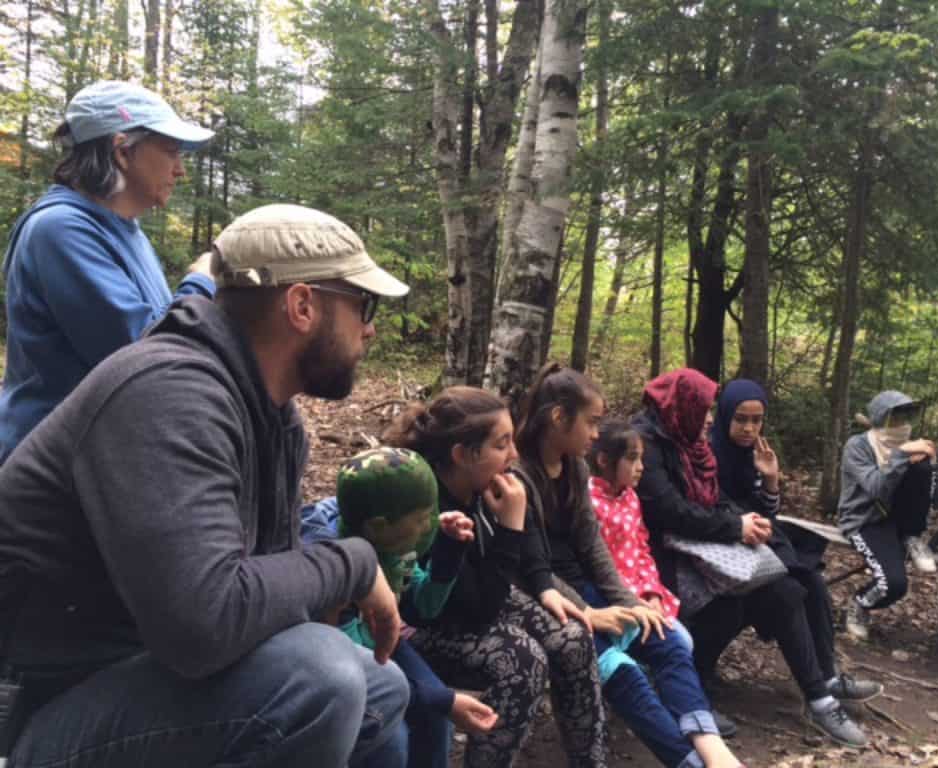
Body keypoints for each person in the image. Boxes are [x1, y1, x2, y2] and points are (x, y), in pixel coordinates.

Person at [0, 204, 412, 767]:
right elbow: (204, 624)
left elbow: (265, 599)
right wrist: (355, 562)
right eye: (363, 306)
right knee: (319, 679)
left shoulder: (272, 415)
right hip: (43, 704)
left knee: (382, 686)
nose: (369, 328)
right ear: (302, 305)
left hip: (138, 674)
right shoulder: (166, 394)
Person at [515, 364, 747, 768]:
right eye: (591, 422)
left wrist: (631, 602)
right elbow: (530, 570)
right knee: (621, 671)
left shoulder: (575, 469)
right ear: (558, 418)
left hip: (588, 591)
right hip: (548, 601)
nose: (594, 434)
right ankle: (687, 761)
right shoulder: (520, 477)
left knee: (669, 639)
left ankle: (713, 749)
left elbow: (592, 549)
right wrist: (591, 613)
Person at [632, 368, 869, 748]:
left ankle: (820, 696)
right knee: (740, 604)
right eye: (707, 410)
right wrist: (735, 526)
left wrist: (749, 517)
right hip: (662, 558)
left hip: (703, 547)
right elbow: (670, 510)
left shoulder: (690, 442)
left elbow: (716, 500)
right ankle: (690, 688)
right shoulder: (648, 444)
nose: (710, 419)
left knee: (789, 588)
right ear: (685, 407)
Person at [384, 387, 608, 768]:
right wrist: (509, 529)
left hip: (478, 597)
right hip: (419, 624)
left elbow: (527, 527)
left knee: (571, 633)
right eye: (502, 444)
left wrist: (543, 586)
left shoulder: (481, 478)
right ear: (463, 454)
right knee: (522, 660)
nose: (514, 454)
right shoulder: (429, 508)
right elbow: (478, 607)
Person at [0, 80, 219, 464]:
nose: (180, 170)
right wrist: (202, 282)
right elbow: (147, 358)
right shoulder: (61, 230)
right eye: (170, 151)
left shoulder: (122, 228)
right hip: (48, 477)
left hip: (96, 463)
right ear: (122, 152)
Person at [299, 446, 498, 768]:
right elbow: (363, 654)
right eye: (421, 519)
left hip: (379, 642)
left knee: (438, 721)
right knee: (394, 742)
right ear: (377, 526)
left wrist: (448, 550)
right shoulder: (335, 571)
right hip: (340, 661)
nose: (429, 525)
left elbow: (423, 608)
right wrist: (437, 697)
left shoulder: (393, 548)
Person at [709, 380, 880, 699]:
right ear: (725, 416)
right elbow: (714, 510)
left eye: (756, 420)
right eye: (741, 419)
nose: (749, 428)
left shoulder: (752, 456)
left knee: (812, 579)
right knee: (790, 589)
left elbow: (766, 511)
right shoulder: (709, 455)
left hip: (754, 539)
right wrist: (743, 524)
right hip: (721, 548)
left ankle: (829, 675)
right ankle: (818, 691)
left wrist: (771, 479)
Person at [838, 390, 938, 641]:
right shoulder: (858, 446)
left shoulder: (913, 447)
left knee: (920, 466)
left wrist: (933, 464)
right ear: (880, 419)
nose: (902, 424)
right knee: (894, 585)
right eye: (895, 418)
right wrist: (901, 456)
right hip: (864, 521)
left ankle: (912, 537)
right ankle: (860, 603)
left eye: (907, 416)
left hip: (898, 522)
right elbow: (876, 488)